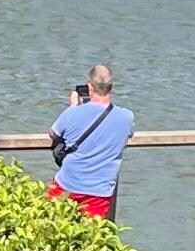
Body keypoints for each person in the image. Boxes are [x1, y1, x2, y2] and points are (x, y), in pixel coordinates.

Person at [49, 65, 133, 219]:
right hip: (99, 193)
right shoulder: (127, 117)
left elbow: (53, 133)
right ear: (111, 88)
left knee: (50, 231)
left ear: (89, 87)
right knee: (91, 238)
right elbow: (127, 134)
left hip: (66, 186)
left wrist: (73, 106)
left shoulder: (72, 113)